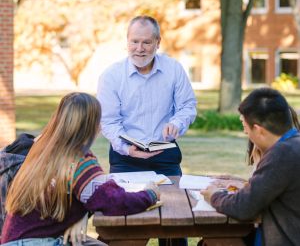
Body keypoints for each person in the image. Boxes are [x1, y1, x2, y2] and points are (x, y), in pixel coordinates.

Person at [1, 92, 159, 245]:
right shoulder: (78, 162)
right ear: (91, 126)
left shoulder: (43, 150)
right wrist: (150, 193)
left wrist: (82, 216)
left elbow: (89, 193)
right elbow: (113, 201)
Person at [97, 15, 197, 176]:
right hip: (125, 158)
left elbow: (187, 106)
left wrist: (177, 123)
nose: (139, 48)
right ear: (127, 41)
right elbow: (108, 121)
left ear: (158, 42)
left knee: (175, 201)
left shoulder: (174, 69)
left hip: (165, 156)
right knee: (123, 201)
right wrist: (127, 149)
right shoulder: (111, 76)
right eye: (134, 41)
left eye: (146, 42)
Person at [201, 88, 300, 246]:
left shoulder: (282, 154)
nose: (246, 133)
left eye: (246, 128)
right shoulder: (293, 144)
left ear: (259, 130)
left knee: (214, 240)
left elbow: (243, 207)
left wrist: (213, 195)